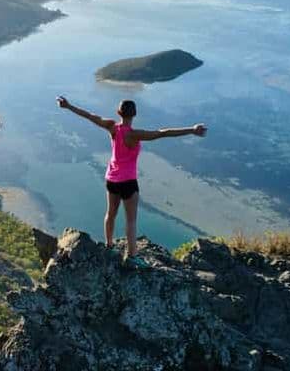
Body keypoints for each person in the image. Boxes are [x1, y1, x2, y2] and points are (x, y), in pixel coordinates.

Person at [56, 96, 207, 266]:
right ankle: (132, 256)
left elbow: (89, 115)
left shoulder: (111, 127)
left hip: (111, 179)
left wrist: (68, 106)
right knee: (131, 220)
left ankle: (109, 244)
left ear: (118, 112)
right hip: (128, 181)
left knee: (110, 214)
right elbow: (163, 133)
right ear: (134, 114)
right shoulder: (135, 135)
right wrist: (192, 130)